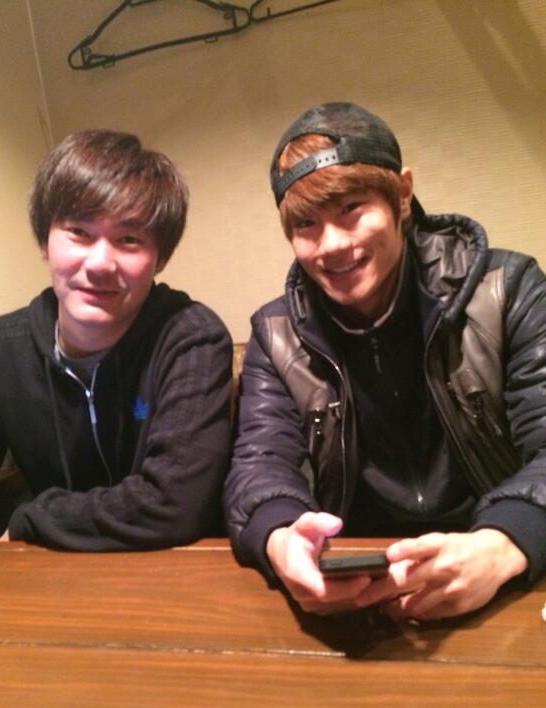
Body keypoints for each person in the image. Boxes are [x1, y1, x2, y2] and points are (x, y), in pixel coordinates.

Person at [224, 102, 546, 621]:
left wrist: (505, 542)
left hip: (494, 567)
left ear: (402, 194)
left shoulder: (507, 292)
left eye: (351, 209)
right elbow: (259, 466)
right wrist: (282, 537)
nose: (332, 244)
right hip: (356, 585)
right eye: (306, 224)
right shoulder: (276, 333)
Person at [0, 129, 233, 560]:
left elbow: (174, 502)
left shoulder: (191, 340)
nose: (100, 263)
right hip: (56, 574)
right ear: (45, 240)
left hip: (179, 570)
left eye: (129, 240)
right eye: (79, 232)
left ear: (160, 257)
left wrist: (32, 519)